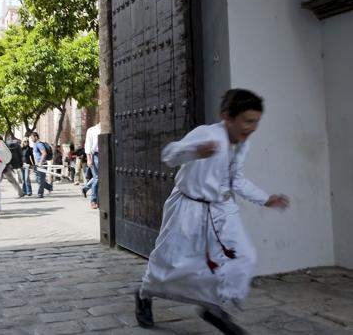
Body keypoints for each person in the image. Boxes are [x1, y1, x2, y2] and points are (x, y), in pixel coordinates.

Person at [135, 89, 290, 334]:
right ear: (227, 116)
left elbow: (235, 179)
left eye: (256, 122)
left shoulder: (242, 146)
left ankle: (215, 308)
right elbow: (170, 154)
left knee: (244, 256)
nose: (252, 128)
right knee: (172, 263)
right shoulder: (206, 134)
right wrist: (195, 151)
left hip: (222, 209)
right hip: (188, 207)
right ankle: (144, 293)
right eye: (247, 121)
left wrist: (265, 198)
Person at [82, 123, 101, 209]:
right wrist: (89, 158)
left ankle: (86, 188)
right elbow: (88, 145)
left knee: (100, 177)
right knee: (97, 178)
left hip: (106, 153)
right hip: (96, 155)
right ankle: (93, 201)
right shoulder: (92, 130)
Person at [30, 132, 53, 198]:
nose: (31, 139)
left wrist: (40, 162)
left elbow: (44, 153)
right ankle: (49, 187)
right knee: (37, 180)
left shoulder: (39, 144)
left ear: (36, 137)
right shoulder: (35, 144)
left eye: (32, 137)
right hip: (37, 165)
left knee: (41, 179)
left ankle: (40, 194)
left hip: (42, 164)